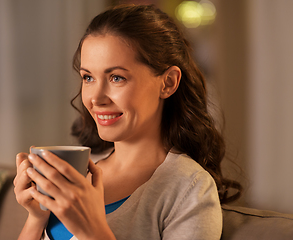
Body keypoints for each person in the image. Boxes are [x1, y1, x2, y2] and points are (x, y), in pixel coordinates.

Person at [14, 4, 241, 240]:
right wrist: (37, 216)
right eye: (88, 77)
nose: (96, 98)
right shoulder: (81, 171)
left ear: (168, 83)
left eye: (116, 77)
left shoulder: (190, 188)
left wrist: (92, 231)